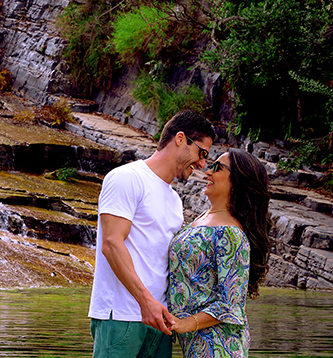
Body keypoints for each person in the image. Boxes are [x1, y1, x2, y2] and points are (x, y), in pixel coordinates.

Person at [89, 110, 217, 358]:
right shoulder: (127, 178)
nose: (202, 164)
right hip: (122, 315)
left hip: (160, 320)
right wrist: (144, 301)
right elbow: (112, 243)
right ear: (180, 139)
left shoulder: (174, 200)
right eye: (202, 153)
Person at [167, 149, 272, 358]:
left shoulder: (232, 234)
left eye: (217, 167)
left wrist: (184, 324)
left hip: (219, 346)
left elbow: (230, 304)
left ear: (238, 180)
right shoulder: (203, 218)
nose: (208, 172)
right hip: (196, 343)